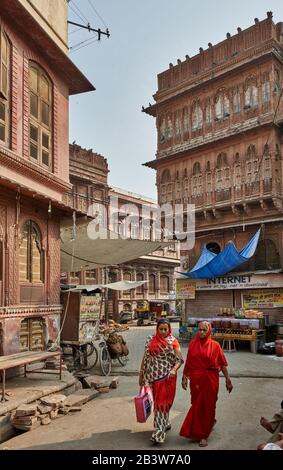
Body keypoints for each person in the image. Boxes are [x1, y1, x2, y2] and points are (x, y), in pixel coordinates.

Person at [180, 321, 233, 447]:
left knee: (209, 406)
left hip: (210, 380)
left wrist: (228, 380)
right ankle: (198, 429)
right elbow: (188, 362)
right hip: (196, 381)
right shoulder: (193, 344)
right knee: (196, 405)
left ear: (209, 331)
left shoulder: (215, 345)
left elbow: (222, 363)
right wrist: (184, 377)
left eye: (204, 330)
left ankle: (204, 434)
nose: (201, 332)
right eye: (199, 330)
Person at [139, 318, 183, 444]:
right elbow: (145, 357)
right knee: (157, 404)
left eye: (166, 329)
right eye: (161, 329)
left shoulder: (173, 341)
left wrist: (174, 369)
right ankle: (165, 423)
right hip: (150, 378)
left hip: (166, 379)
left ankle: (158, 433)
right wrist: (141, 374)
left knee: (161, 405)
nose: (163, 331)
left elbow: (179, 360)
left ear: (169, 329)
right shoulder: (150, 339)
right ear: (157, 329)